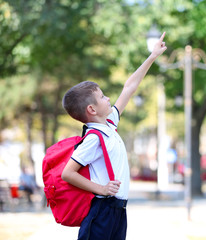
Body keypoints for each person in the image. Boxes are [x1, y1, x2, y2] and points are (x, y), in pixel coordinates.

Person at [61, 32, 167, 240]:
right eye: (102, 97)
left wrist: (152, 56)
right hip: (103, 211)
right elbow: (68, 173)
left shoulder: (110, 124)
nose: (108, 98)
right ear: (92, 109)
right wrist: (101, 188)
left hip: (118, 210)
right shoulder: (94, 139)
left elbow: (129, 87)